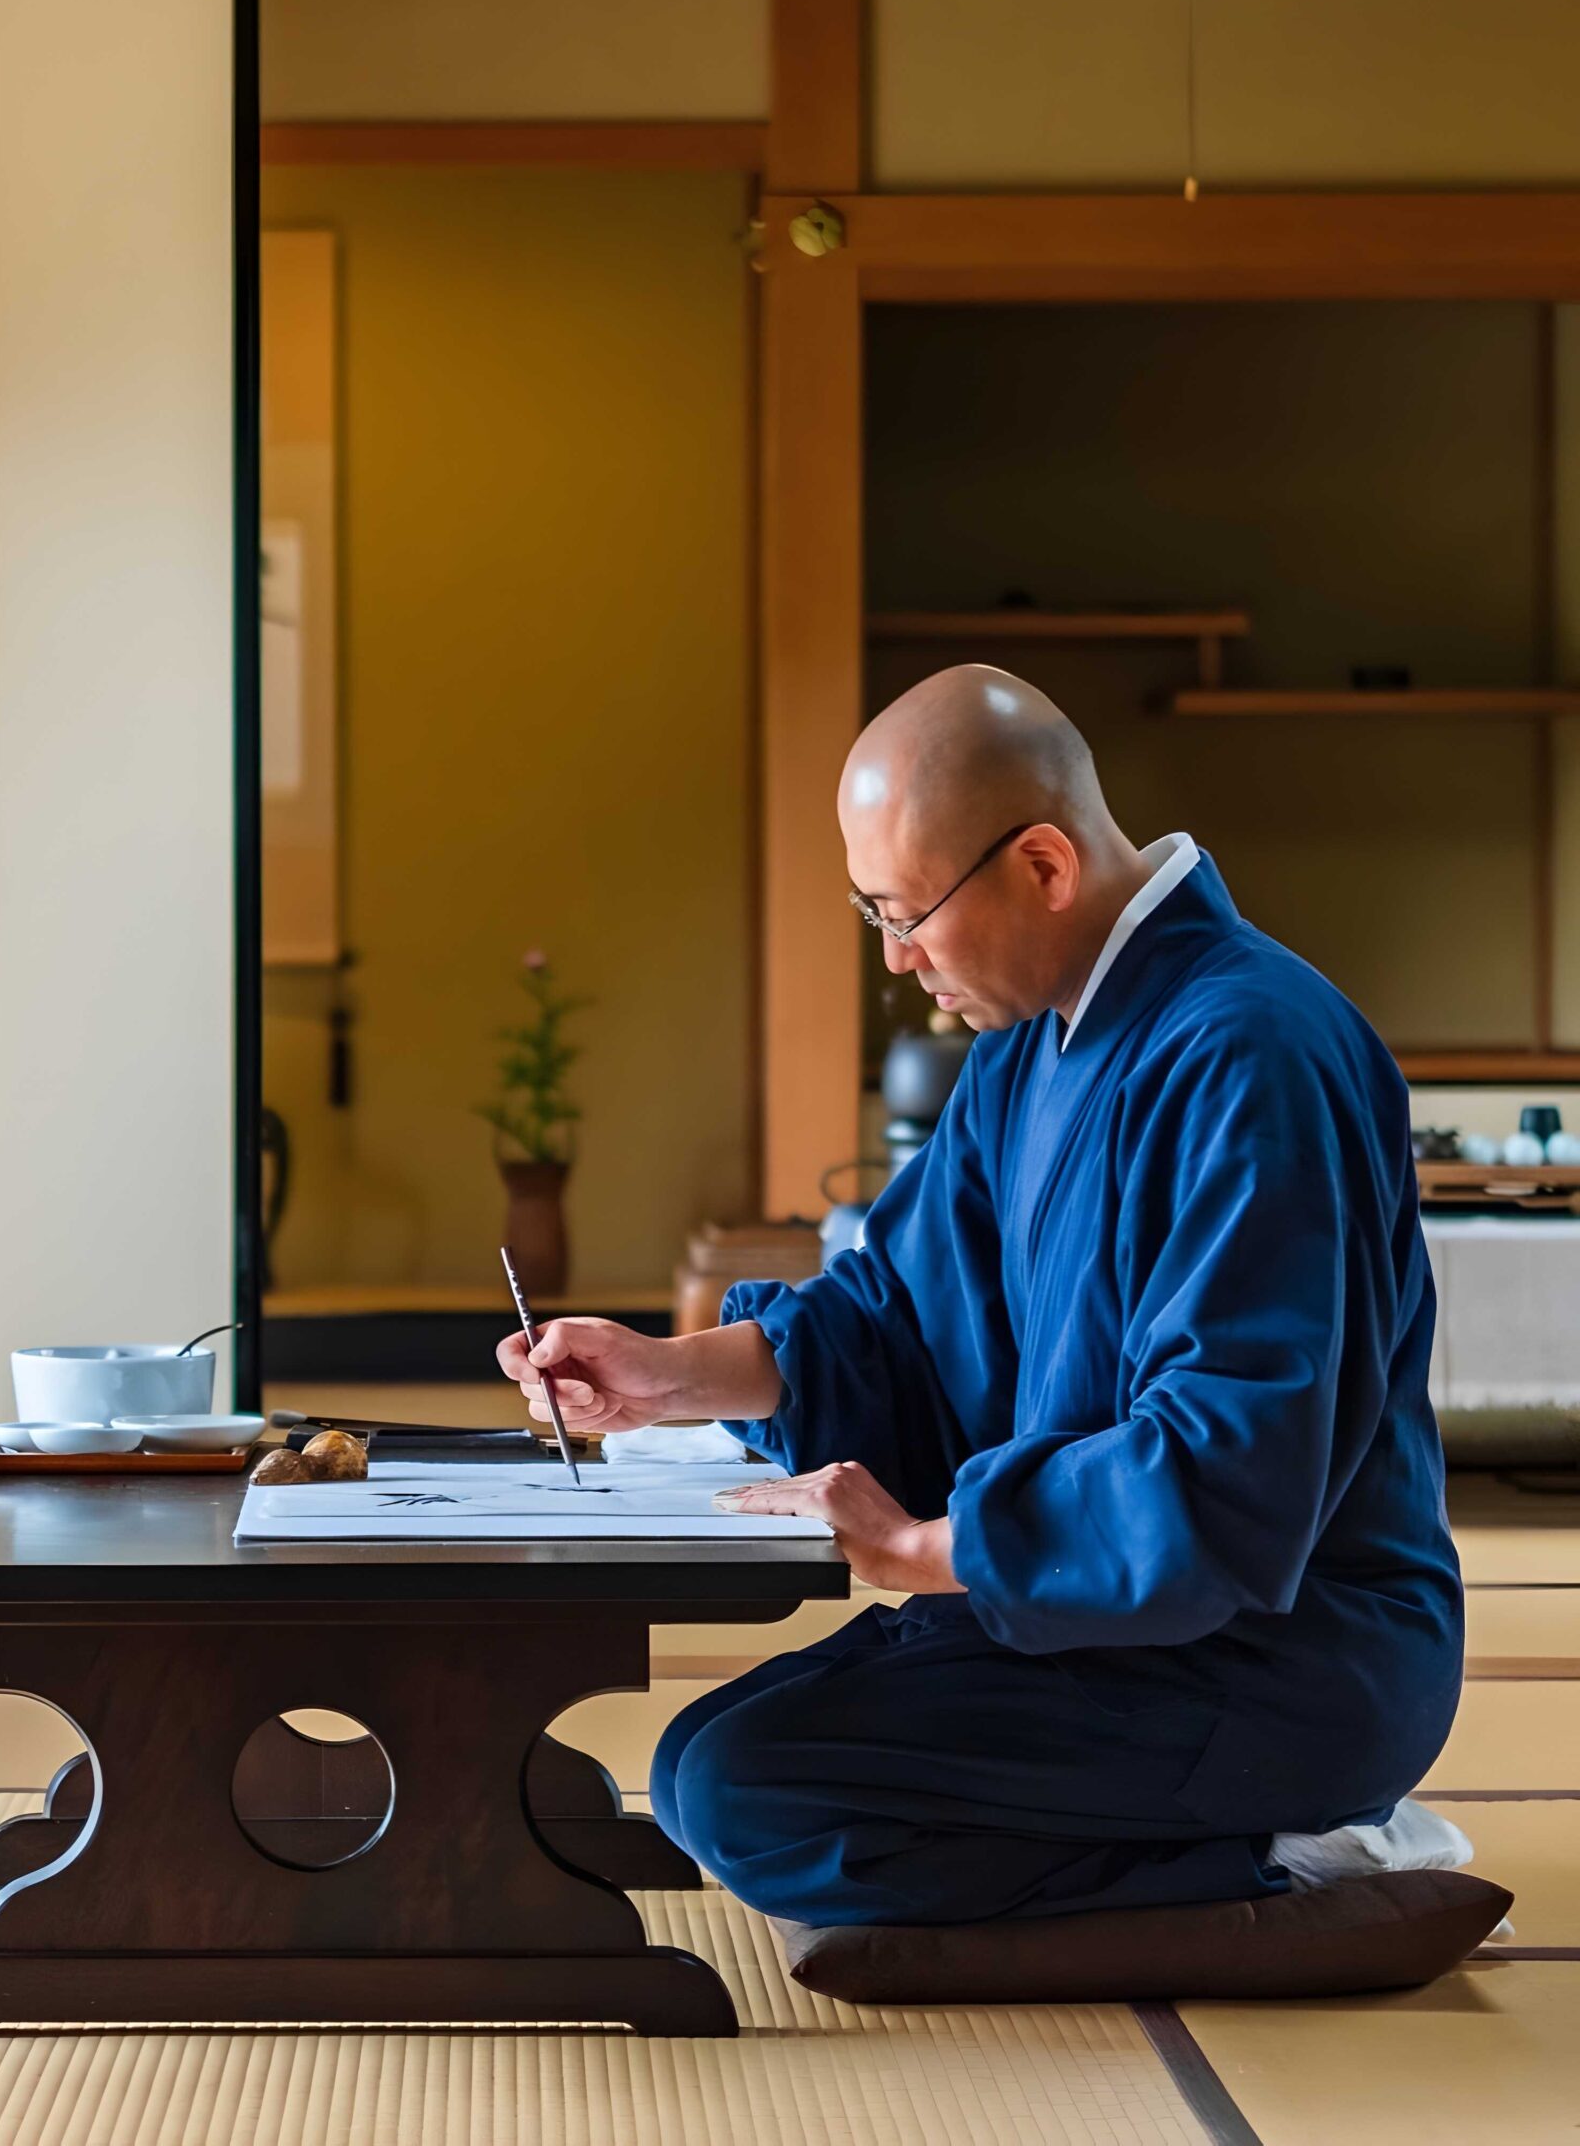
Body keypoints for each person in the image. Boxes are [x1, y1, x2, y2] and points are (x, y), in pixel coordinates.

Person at [498, 666, 1463, 1928]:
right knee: (696, 1767)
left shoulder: (1252, 1052)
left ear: (1043, 867)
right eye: (871, 916)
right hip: (1090, 1610)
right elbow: (897, 1315)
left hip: (1280, 1652)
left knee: (753, 1791)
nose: (897, 961)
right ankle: (1234, 1839)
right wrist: (665, 1373)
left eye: (905, 915)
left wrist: (918, 1550)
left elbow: (1229, 1470)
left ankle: (1293, 1850)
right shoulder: (1026, 1048)